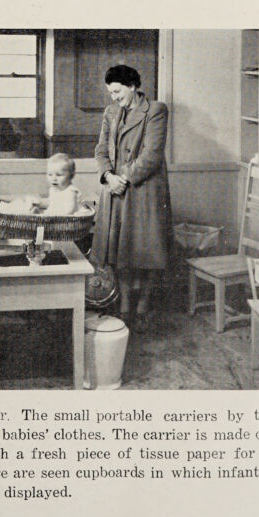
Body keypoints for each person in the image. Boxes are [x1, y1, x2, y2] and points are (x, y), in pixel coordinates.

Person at [91, 64, 174, 333]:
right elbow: (101, 149)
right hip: (115, 190)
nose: (113, 97)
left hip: (143, 192)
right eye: (110, 92)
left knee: (144, 252)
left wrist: (122, 178)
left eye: (117, 91)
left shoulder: (156, 110)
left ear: (133, 86)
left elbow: (151, 156)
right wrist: (107, 176)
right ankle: (125, 306)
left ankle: (143, 307)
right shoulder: (111, 112)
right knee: (120, 252)